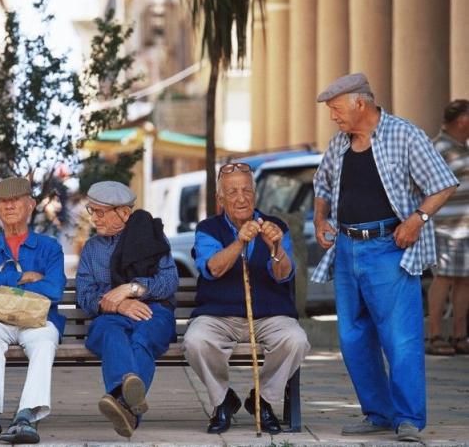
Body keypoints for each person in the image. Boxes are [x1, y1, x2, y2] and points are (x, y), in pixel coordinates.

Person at [312, 73, 458, 442]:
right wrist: (319, 218)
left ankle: (408, 418)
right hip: (346, 248)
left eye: (335, 109)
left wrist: (417, 219)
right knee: (353, 337)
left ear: (359, 103)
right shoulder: (338, 144)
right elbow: (322, 184)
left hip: (388, 247)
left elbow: (443, 182)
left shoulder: (404, 134)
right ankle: (377, 413)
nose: (332, 117)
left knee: (401, 338)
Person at [182, 163, 309, 435]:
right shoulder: (207, 229)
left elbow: (284, 274)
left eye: (246, 190)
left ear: (255, 194)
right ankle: (222, 400)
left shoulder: (277, 227)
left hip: (270, 315)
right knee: (196, 341)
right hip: (219, 315)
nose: (241, 198)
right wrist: (239, 242)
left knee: (296, 340)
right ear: (220, 199)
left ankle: (262, 400)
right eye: (232, 192)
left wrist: (275, 248)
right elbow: (213, 268)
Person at [0, 177, 66, 444]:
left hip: (38, 319)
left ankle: (24, 416)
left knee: (45, 341)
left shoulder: (50, 248)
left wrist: (3, 282)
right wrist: (24, 278)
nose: (9, 206)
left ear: (30, 204)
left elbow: (55, 289)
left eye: (15, 200)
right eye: (3, 202)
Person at [76, 181, 178, 438]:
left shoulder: (151, 237)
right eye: (92, 211)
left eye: (101, 212)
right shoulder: (91, 249)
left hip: (153, 311)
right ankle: (128, 405)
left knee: (142, 339)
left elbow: (169, 282)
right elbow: (85, 296)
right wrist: (119, 305)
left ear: (123, 212)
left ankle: (121, 401)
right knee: (111, 334)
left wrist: (132, 289)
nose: (95, 219)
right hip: (110, 316)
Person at [426, 99, 469, 355]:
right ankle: (434, 336)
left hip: (465, 228)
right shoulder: (438, 148)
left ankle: (459, 336)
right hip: (444, 227)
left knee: (465, 281)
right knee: (443, 279)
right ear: (462, 120)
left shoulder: (463, 148)